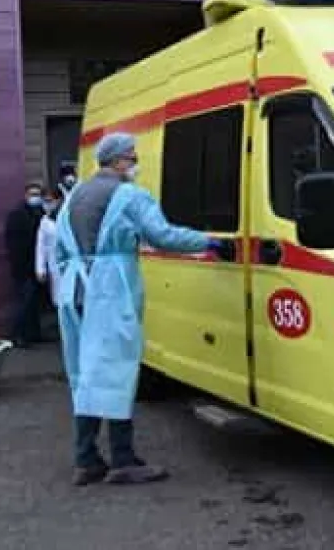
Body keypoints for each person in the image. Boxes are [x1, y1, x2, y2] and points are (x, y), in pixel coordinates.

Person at [55, 131, 231, 487]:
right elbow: (162, 235)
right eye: (132, 157)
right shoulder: (129, 195)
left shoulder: (75, 196)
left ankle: (86, 459)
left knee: (86, 374)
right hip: (111, 291)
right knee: (118, 371)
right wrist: (209, 242)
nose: (135, 163)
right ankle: (123, 459)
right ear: (119, 160)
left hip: (74, 291)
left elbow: (58, 250)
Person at [4, 183, 45, 348]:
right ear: (26, 195)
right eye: (32, 194)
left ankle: (34, 334)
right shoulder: (17, 215)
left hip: (36, 266)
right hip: (24, 267)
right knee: (25, 302)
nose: (36, 197)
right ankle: (18, 335)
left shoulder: (39, 213)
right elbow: (14, 244)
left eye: (38, 194)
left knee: (34, 303)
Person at [35, 188, 62, 307]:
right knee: (58, 300)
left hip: (72, 264)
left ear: (58, 200)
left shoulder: (69, 216)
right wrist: (40, 269)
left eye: (49, 201)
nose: (46, 204)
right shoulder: (45, 221)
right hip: (54, 265)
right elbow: (41, 246)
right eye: (44, 201)